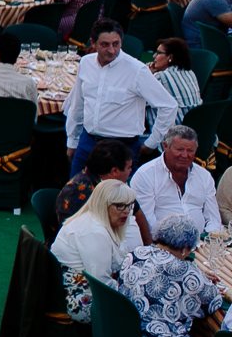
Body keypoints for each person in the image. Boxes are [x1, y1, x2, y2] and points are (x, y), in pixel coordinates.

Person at [64, 20, 176, 173]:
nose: (111, 50)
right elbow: (77, 105)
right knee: (76, 195)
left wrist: (151, 142)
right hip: (88, 142)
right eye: (105, 45)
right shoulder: (85, 63)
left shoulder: (136, 70)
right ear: (93, 43)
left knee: (118, 197)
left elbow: (168, 105)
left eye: (116, 44)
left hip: (121, 147)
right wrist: (72, 141)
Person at [50, 179, 136, 322]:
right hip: (77, 299)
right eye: (120, 206)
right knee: (141, 308)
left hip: (79, 287)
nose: (126, 211)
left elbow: (120, 261)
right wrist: (134, 290)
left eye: (129, 205)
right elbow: (101, 283)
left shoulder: (101, 222)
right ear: (104, 205)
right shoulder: (93, 231)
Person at [129, 126, 222, 234]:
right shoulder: (145, 174)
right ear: (165, 146)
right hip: (162, 244)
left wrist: (210, 238)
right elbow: (146, 222)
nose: (184, 155)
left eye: (190, 151)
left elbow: (213, 219)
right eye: (179, 150)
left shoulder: (204, 176)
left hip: (201, 244)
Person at [55, 138, 135, 226]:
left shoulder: (116, 184)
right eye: (128, 168)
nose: (130, 172)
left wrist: (147, 240)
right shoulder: (76, 194)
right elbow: (77, 232)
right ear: (114, 171)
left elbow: (136, 210)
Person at [148, 36, 202, 117]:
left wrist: (147, 75)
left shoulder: (161, 77)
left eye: (159, 53)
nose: (154, 56)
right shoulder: (190, 72)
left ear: (170, 57)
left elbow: (138, 99)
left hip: (173, 126)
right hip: (193, 124)